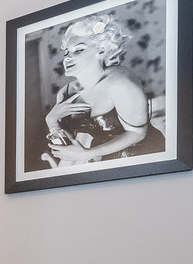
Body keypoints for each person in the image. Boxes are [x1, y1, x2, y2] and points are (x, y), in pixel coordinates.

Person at [42, 14, 164, 168]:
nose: (67, 58)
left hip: (141, 160)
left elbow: (137, 133)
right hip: (101, 163)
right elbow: (69, 149)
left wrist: (88, 154)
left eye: (78, 50)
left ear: (102, 49)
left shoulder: (120, 84)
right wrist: (51, 121)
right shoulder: (66, 93)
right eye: (66, 52)